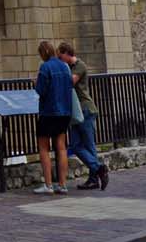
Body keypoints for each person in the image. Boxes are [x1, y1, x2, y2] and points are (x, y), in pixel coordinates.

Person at [58, 40, 109, 191]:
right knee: (75, 145)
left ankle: (94, 179)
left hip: (85, 109)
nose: (60, 60)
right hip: (75, 112)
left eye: (60, 57)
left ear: (67, 53)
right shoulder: (68, 67)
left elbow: (70, 82)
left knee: (88, 145)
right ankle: (98, 169)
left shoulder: (80, 65)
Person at [33, 39, 72, 195]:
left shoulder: (45, 67)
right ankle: (62, 185)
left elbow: (41, 90)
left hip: (49, 111)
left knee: (44, 147)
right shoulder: (64, 66)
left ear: (43, 53)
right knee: (61, 147)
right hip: (65, 111)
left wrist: (35, 83)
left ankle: (48, 185)